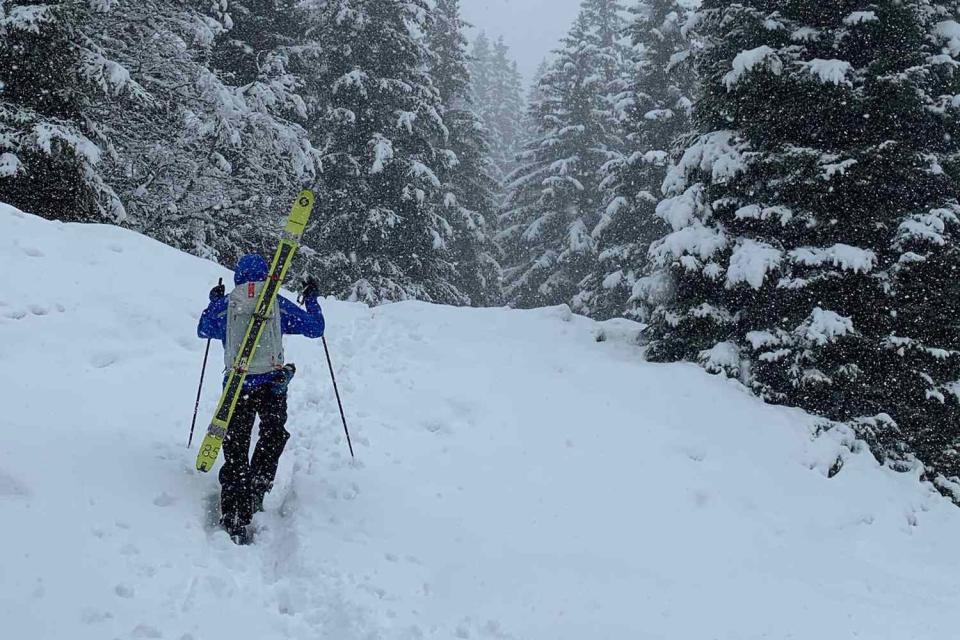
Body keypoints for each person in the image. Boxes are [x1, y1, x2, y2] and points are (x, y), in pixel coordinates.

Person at [197, 253, 325, 544]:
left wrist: (213, 301)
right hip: (272, 385)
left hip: (237, 387)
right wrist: (312, 299)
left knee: (236, 444)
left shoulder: (228, 304)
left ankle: (233, 515)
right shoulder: (274, 303)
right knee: (272, 434)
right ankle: (258, 484)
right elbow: (315, 329)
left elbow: (203, 329)